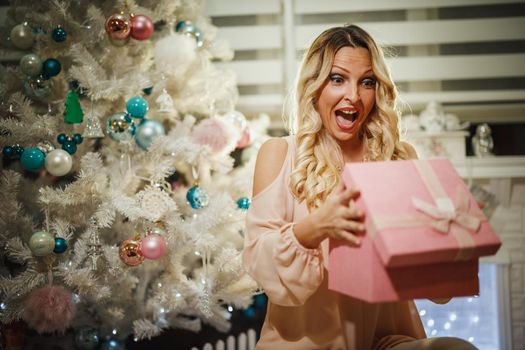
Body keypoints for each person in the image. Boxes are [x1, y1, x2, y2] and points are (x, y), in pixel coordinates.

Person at [243, 25, 477, 350]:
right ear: (315, 87)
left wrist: (446, 235)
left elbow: (440, 293)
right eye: (337, 79)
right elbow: (262, 267)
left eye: (366, 82)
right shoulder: (280, 153)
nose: (353, 96)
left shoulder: (400, 156)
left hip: (385, 340)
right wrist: (313, 228)